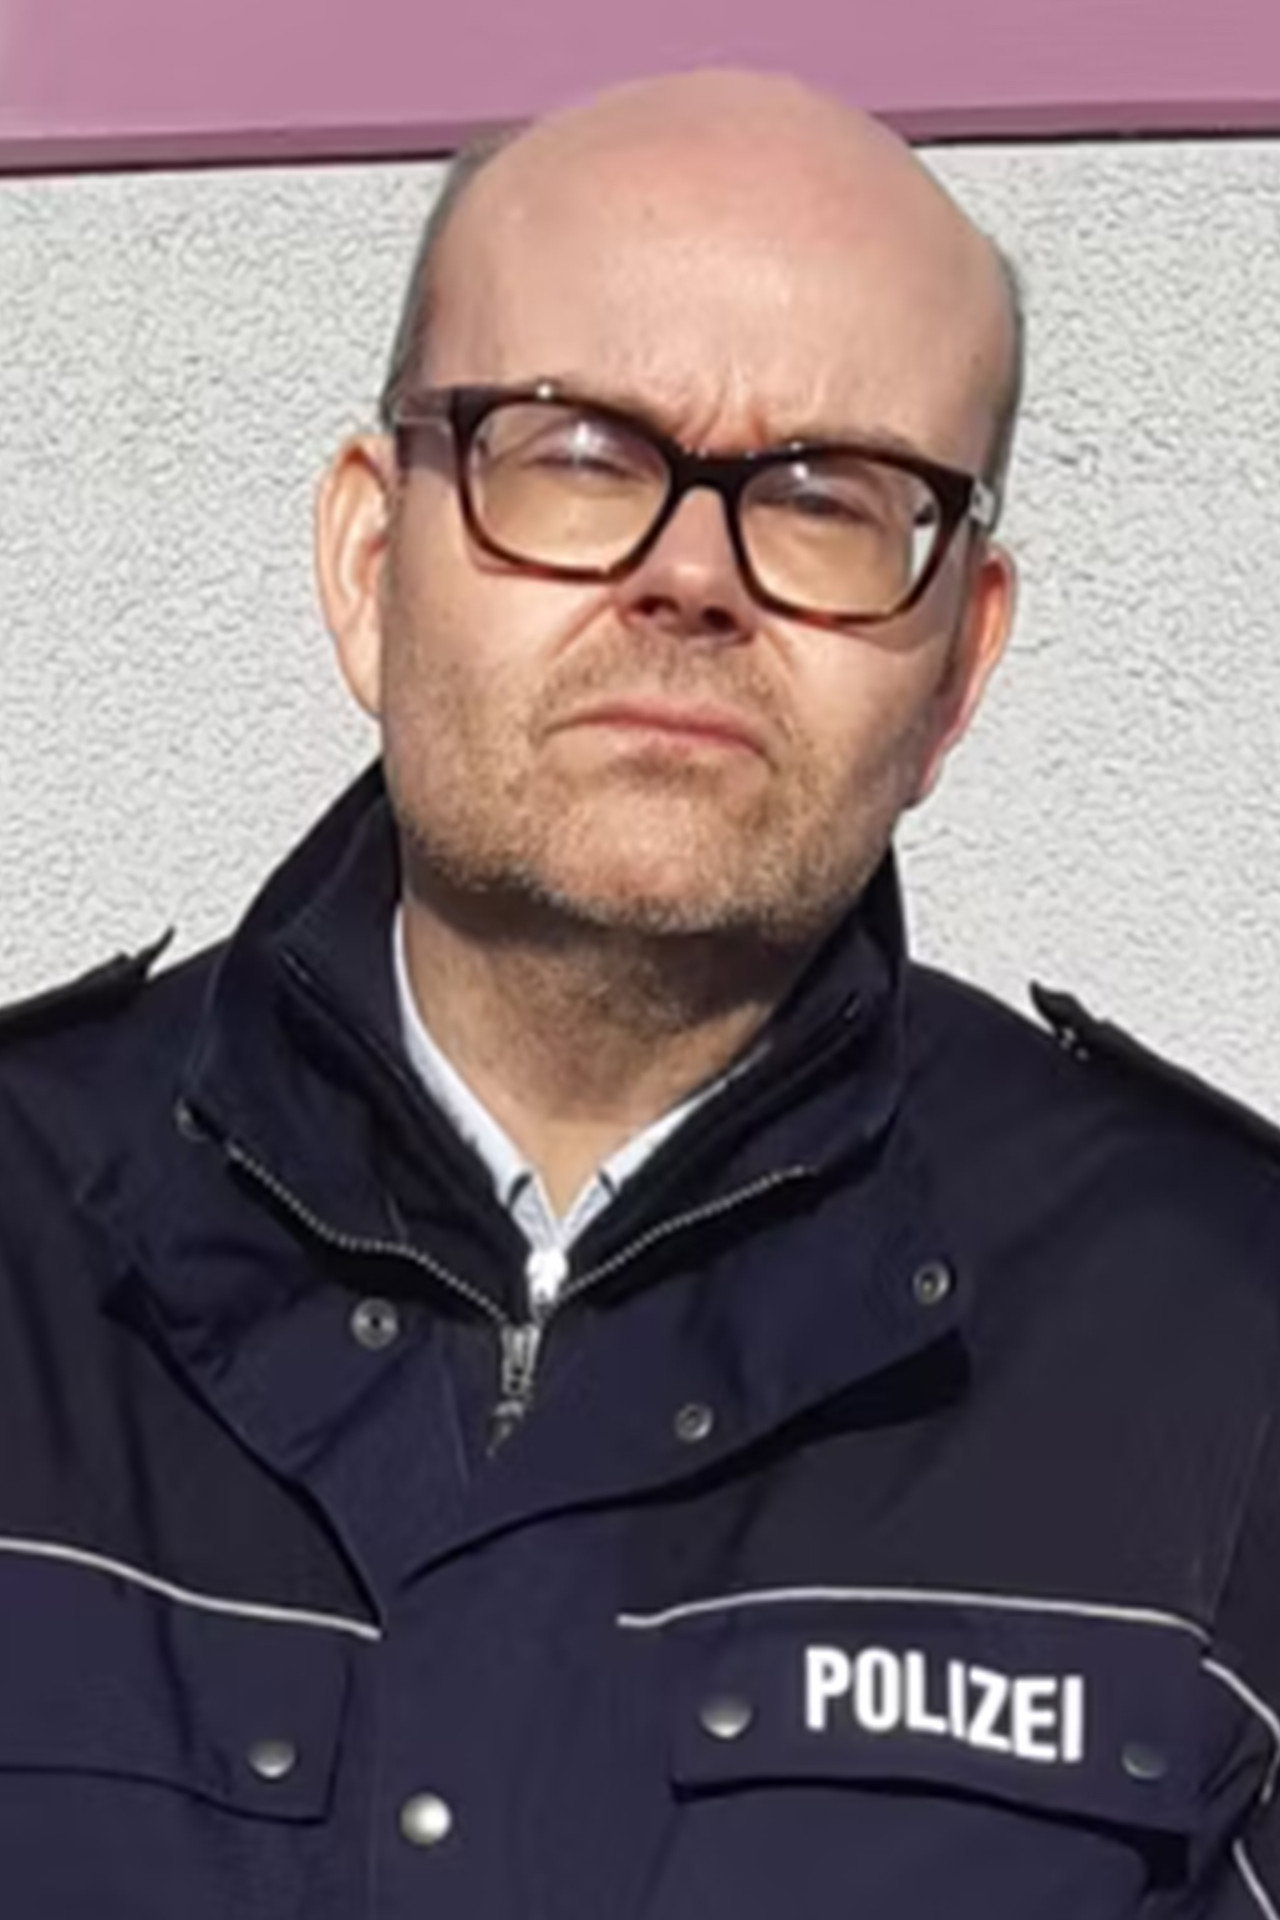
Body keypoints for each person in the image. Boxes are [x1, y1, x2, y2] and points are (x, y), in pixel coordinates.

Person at [0, 65, 1278, 1920]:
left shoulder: (1226, 1351)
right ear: (371, 564)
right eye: (578, 454)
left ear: (958, 669)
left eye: (829, 496)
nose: (690, 577)